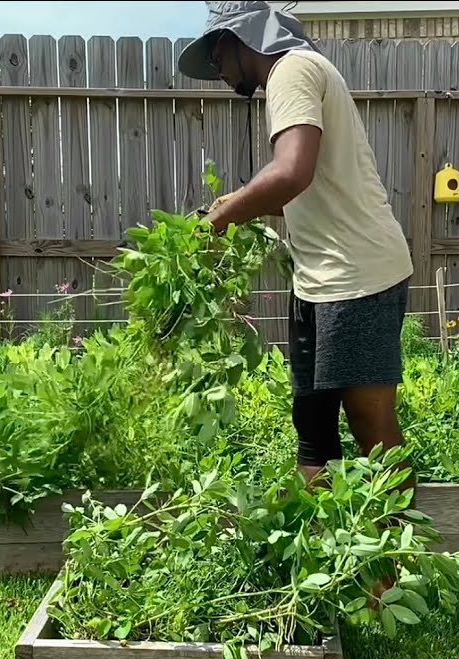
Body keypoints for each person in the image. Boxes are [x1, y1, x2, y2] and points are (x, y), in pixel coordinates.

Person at [177, 1, 416, 489]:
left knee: (371, 431)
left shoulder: (292, 70)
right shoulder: (297, 74)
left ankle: (396, 563)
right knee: (312, 432)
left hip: (357, 277)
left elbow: (291, 172)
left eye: (217, 60)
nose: (219, 74)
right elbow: (304, 192)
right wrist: (236, 205)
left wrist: (221, 215)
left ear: (235, 41)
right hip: (317, 282)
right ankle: (317, 554)